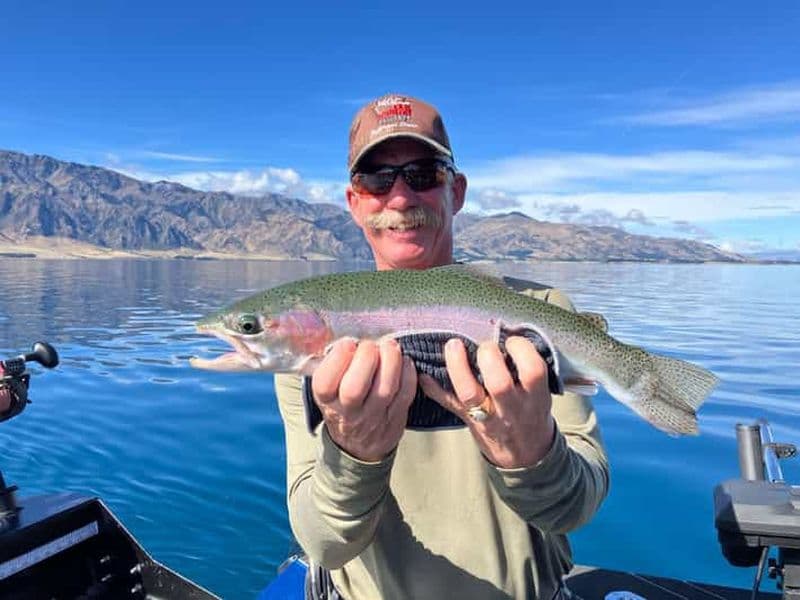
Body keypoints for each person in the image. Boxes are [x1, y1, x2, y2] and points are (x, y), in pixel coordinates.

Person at [274, 94, 609, 599]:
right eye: (377, 180)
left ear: (457, 189)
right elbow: (324, 545)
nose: (401, 198)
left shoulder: (538, 313)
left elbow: (576, 508)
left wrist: (531, 456)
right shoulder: (314, 349)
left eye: (424, 173)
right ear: (354, 202)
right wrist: (353, 454)